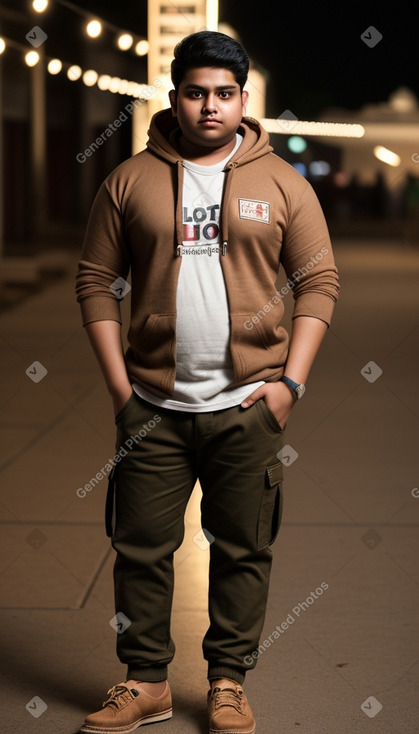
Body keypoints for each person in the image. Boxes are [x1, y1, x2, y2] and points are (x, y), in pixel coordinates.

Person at [75, 29, 339, 734]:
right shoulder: (129, 179)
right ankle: (146, 682)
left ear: (243, 99)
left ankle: (226, 681)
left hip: (246, 406)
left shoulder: (281, 181)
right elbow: (96, 282)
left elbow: (318, 282)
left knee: (243, 548)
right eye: (195, 93)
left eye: (224, 93)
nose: (209, 107)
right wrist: (120, 390)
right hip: (152, 409)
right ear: (175, 98)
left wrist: (290, 385)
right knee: (139, 548)